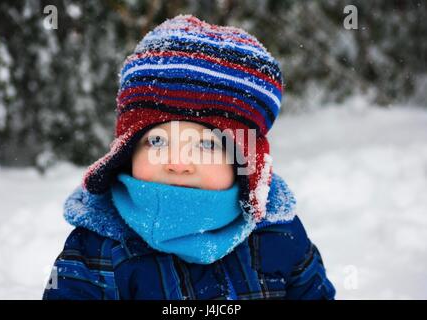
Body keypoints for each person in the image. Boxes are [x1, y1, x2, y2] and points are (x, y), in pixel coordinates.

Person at [43, 14, 335, 300]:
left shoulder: (280, 235)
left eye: (207, 145)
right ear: (127, 149)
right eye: (157, 141)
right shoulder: (96, 250)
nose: (178, 164)